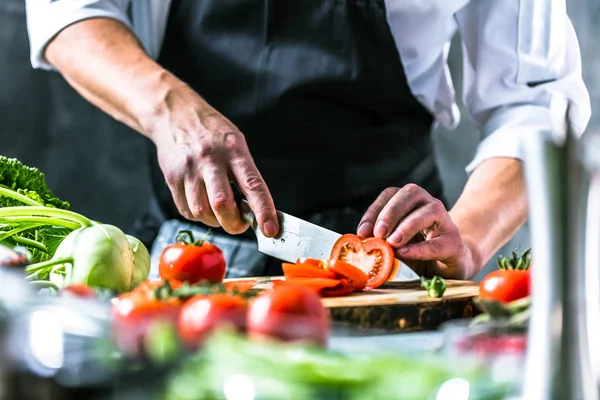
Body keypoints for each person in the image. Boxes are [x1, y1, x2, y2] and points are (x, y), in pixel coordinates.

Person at [24, 0, 590, 281]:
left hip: (392, 274)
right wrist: (171, 109)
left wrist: (468, 238)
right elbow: (68, 12)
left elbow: (535, 102)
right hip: (191, 269)